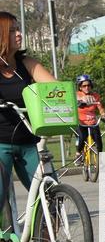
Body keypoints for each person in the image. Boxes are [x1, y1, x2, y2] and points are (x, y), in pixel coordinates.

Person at [0, 11, 57, 223]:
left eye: (18, 29)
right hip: (0, 143)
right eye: (12, 30)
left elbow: (54, 88)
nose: (18, 34)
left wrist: (76, 96)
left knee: (51, 197)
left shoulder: (27, 63)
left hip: (28, 141)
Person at [74, 75, 105, 165]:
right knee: (82, 137)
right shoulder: (76, 95)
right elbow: (76, 102)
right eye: (84, 86)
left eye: (88, 85)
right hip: (81, 122)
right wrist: (81, 101)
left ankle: (100, 160)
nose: (87, 87)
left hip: (92, 122)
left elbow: (100, 107)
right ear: (80, 86)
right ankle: (78, 154)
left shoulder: (95, 96)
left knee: (99, 142)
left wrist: (103, 113)